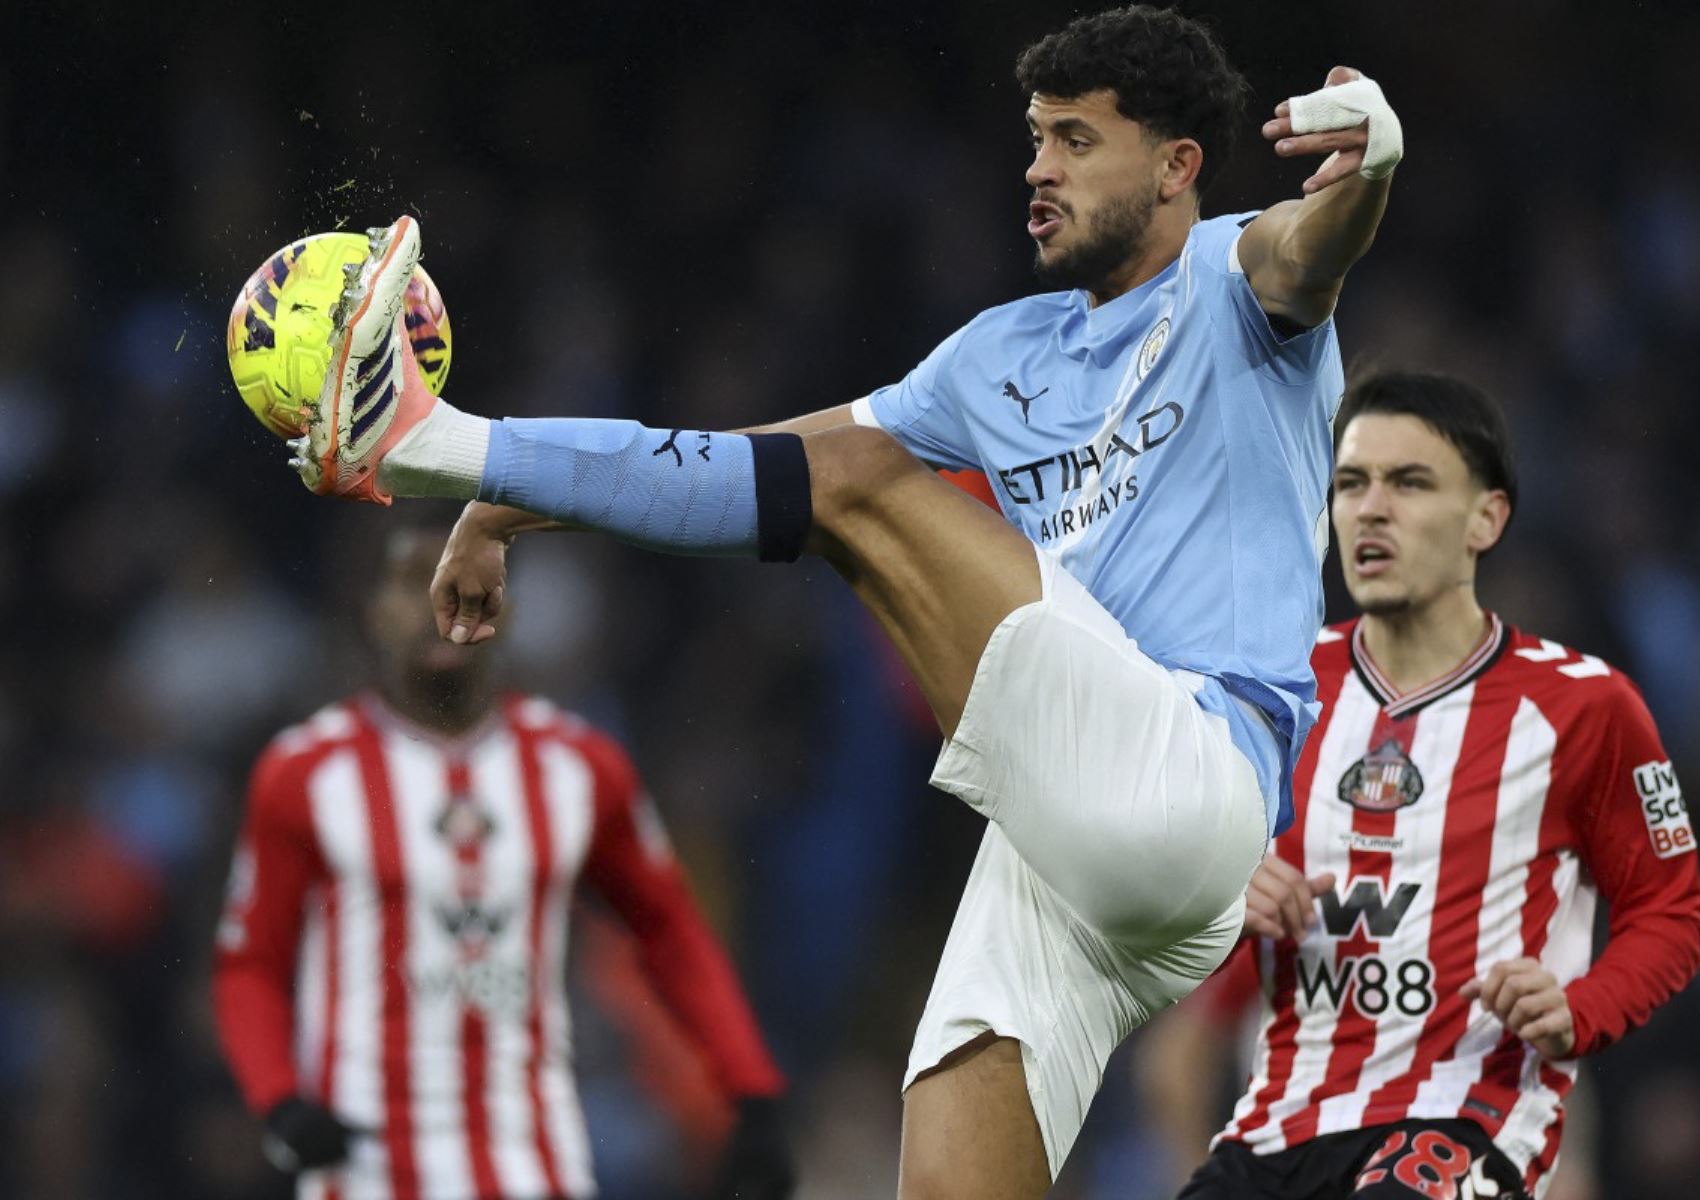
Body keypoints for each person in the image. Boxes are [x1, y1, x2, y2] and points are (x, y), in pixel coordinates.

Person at [279, 6, 1404, 1193]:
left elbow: (1314, 242)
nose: (1039, 168)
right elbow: (760, 467)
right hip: (1072, 854)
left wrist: (1373, 162)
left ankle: (421, 437)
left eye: (1077, 141)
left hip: (1199, 770)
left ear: (1177, 167)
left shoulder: (1236, 277)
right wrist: (511, 505)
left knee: (861, 482)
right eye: (1035, 138)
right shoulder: (995, 357)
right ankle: (451, 450)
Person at [1170, 370, 1700, 1199]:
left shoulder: (1585, 707)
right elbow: (1156, 898)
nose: (1371, 509)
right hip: (1277, 1128)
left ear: (1486, 518)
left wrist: (1583, 1008)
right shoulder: (1272, 691)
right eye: (1352, 483)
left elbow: (1670, 911)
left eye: (1409, 483)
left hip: (1467, 1118)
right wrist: (1214, 896)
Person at [211, 521, 795, 1200]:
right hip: (365, 1169)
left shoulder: (579, 767)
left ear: (509, 609)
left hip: (530, 1161)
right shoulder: (305, 772)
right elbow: (250, 963)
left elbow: (671, 933)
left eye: (467, 582)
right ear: (374, 612)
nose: (442, 604)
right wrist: (280, 1100)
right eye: (414, 584)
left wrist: (752, 1093)